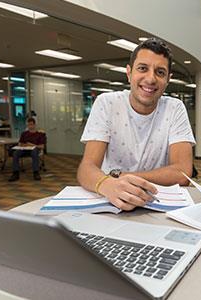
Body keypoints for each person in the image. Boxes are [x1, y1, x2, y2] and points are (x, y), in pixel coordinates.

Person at [77, 37, 195, 211]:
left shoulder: (174, 108)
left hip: (154, 202)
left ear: (168, 79)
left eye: (160, 72)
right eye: (142, 68)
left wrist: (125, 178)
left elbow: (183, 172)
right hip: (110, 199)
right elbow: (86, 168)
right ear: (129, 72)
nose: (151, 78)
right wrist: (108, 184)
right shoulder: (106, 103)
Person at [8, 117, 46, 181]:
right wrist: (24, 145)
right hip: (24, 149)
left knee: (34, 152)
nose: (30, 126)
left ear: (34, 125)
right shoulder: (24, 133)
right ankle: (15, 173)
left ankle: (36, 172)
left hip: (34, 149)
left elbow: (42, 146)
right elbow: (20, 143)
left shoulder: (40, 134)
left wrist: (32, 145)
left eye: (31, 124)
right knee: (15, 153)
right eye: (28, 125)